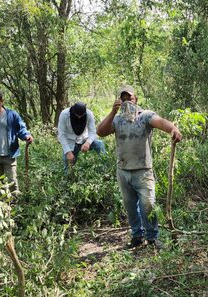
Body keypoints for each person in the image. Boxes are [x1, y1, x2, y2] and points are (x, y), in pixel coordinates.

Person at [96, 85, 182, 250]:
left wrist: (173, 129)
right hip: (123, 170)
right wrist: (113, 112)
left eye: (130, 98)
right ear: (119, 101)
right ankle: (137, 236)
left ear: (136, 99)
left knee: (148, 205)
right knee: (130, 206)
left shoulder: (145, 116)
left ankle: (152, 238)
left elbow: (160, 122)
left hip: (143, 171)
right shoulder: (117, 119)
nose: (127, 101)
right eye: (124, 98)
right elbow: (101, 132)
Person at [57, 101, 105, 169]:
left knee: (100, 144)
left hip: (84, 140)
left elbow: (92, 131)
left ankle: (104, 169)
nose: (79, 117)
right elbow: (61, 134)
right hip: (71, 142)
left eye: (81, 115)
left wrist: (88, 143)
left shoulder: (89, 114)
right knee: (68, 167)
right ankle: (68, 176)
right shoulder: (64, 114)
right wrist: (68, 152)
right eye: (77, 115)